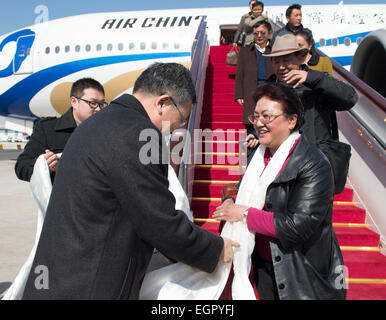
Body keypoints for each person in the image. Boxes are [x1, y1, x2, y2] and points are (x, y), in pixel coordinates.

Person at [21, 62, 239, 300]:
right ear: (163, 103)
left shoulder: (101, 121)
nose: (175, 128)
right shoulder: (139, 135)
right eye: (180, 120)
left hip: (61, 278)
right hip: (88, 286)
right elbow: (158, 221)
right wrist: (216, 248)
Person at [214, 82, 347, 300]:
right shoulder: (259, 155)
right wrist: (230, 200)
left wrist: (245, 214)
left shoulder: (314, 164)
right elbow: (247, 188)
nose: (259, 124)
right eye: (255, 117)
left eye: (267, 117)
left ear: (291, 120)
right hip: (263, 264)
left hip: (299, 270)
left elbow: (299, 225)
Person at [15, 78, 107, 182]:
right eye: (93, 103)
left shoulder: (106, 132)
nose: (99, 109)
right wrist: (44, 166)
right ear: (74, 102)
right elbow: (21, 167)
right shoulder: (48, 129)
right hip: (63, 197)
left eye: (101, 104)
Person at [235, 20, 274, 135]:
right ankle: (251, 151)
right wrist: (239, 95)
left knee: (270, 122)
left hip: (270, 90)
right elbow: (239, 73)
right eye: (256, 33)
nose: (259, 36)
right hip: (252, 90)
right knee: (252, 123)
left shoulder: (274, 49)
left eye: (263, 32)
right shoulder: (246, 51)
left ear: (269, 33)